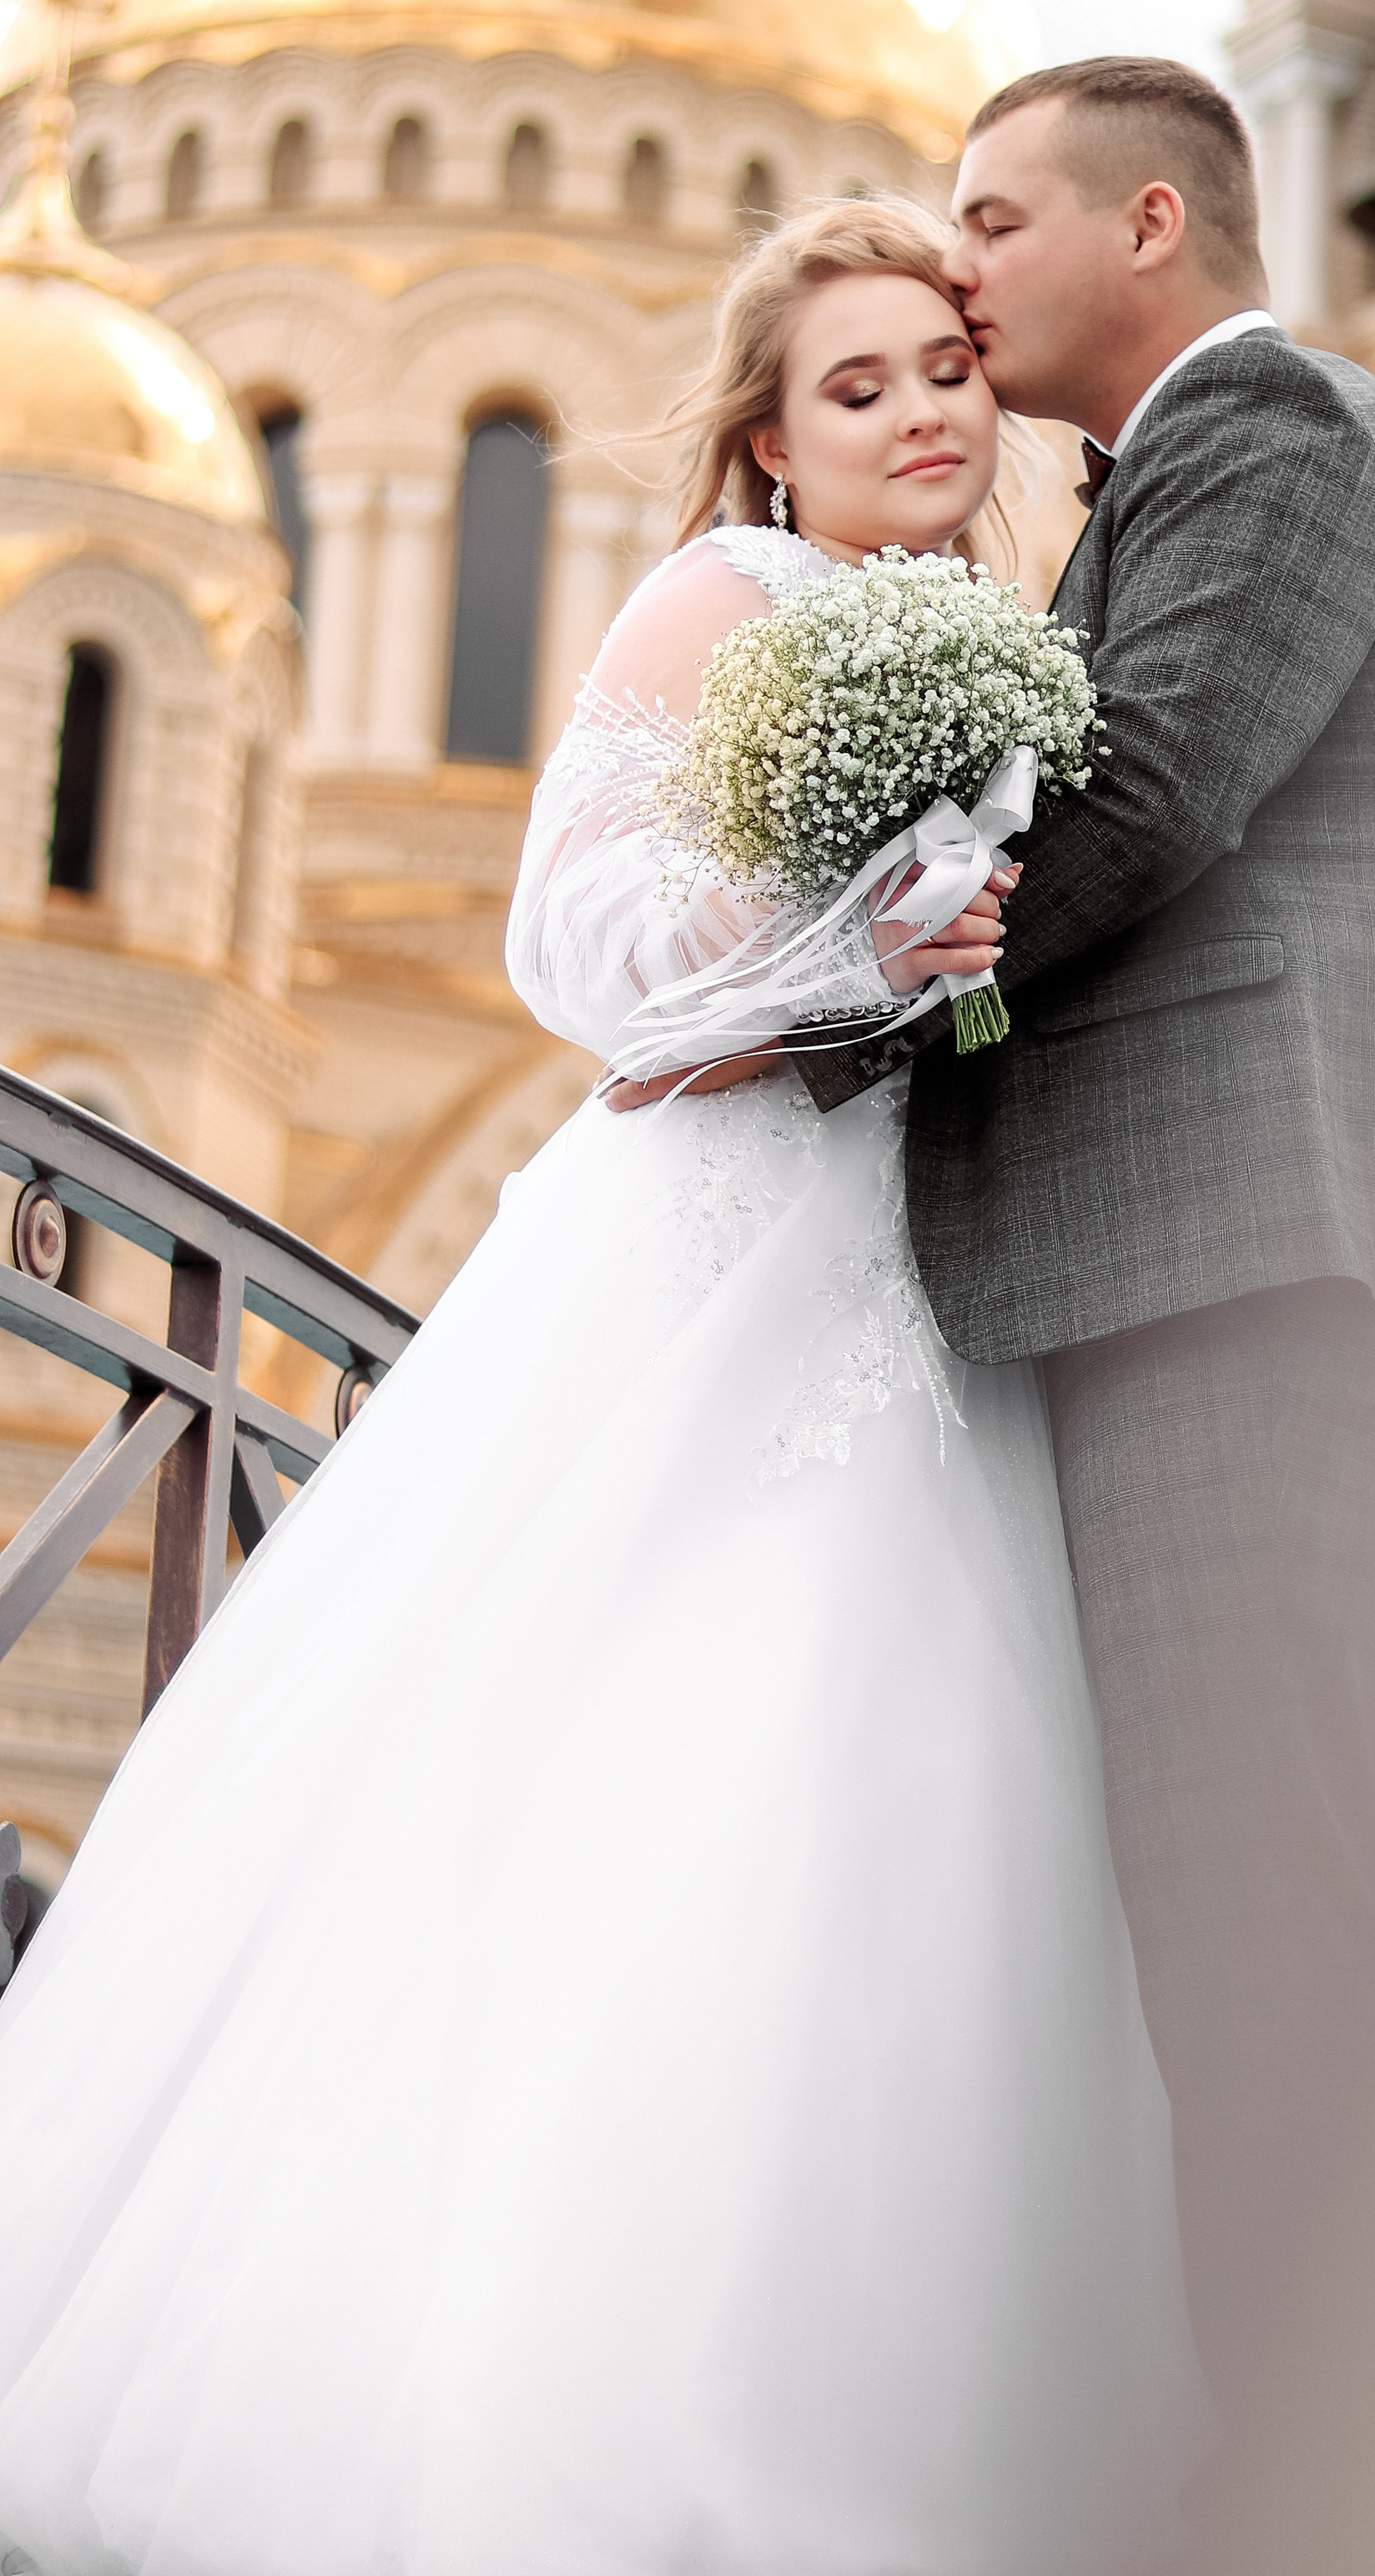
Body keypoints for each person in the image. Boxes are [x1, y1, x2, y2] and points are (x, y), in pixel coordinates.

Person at [0, 200, 1208, 2576]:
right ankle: (529, 2424)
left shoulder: (999, 646)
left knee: (902, 1788)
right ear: (769, 438)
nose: (921, 415)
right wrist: (837, 954)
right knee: (660, 1736)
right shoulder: (721, 605)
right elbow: (590, 942)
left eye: (947, 370)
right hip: (727, 1251)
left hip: (922, 1258)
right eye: (853, 387)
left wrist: (953, 966)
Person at [787, 59, 1375, 2410]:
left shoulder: (1278, 427)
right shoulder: (1146, 491)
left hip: (1261, 1259)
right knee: (1234, 1881)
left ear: (1149, 223)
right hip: (1208, 1257)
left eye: (990, 223)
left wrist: (821, 1023)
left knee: (1258, 1887)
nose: (961, 271)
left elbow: (1150, 793)